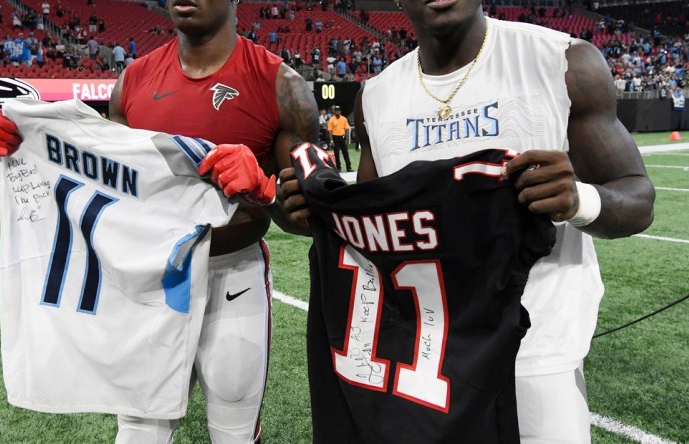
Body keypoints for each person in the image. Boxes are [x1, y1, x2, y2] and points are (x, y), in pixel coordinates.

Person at [279, 5, 655, 444]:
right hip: (428, 370)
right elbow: (375, 243)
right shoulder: (377, 95)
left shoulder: (562, 61)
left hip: (536, 357)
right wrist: (317, 212)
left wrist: (579, 198)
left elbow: (638, 198)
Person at [0, 0, 319, 443]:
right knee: (139, 432)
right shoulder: (133, 80)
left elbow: (309, 220)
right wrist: (24, 148)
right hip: (150, 280)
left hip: (232, 275)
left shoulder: (281, 85)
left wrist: (265, 188)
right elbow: (104, 189)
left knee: (233, 434)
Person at [326, 105, 351, 172]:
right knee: (336, 153)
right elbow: (330, 131)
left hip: (342, 137)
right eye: (336, 110)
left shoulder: (344, 119)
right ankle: (338, 168)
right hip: (335, 138)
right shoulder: (331, 120)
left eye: (338, 110)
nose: (337, 111)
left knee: (345, 152)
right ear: (334, 111)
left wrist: (347, 139)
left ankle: (349, 167)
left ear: (340, 111)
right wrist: (331, 140)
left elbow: (347, 129)